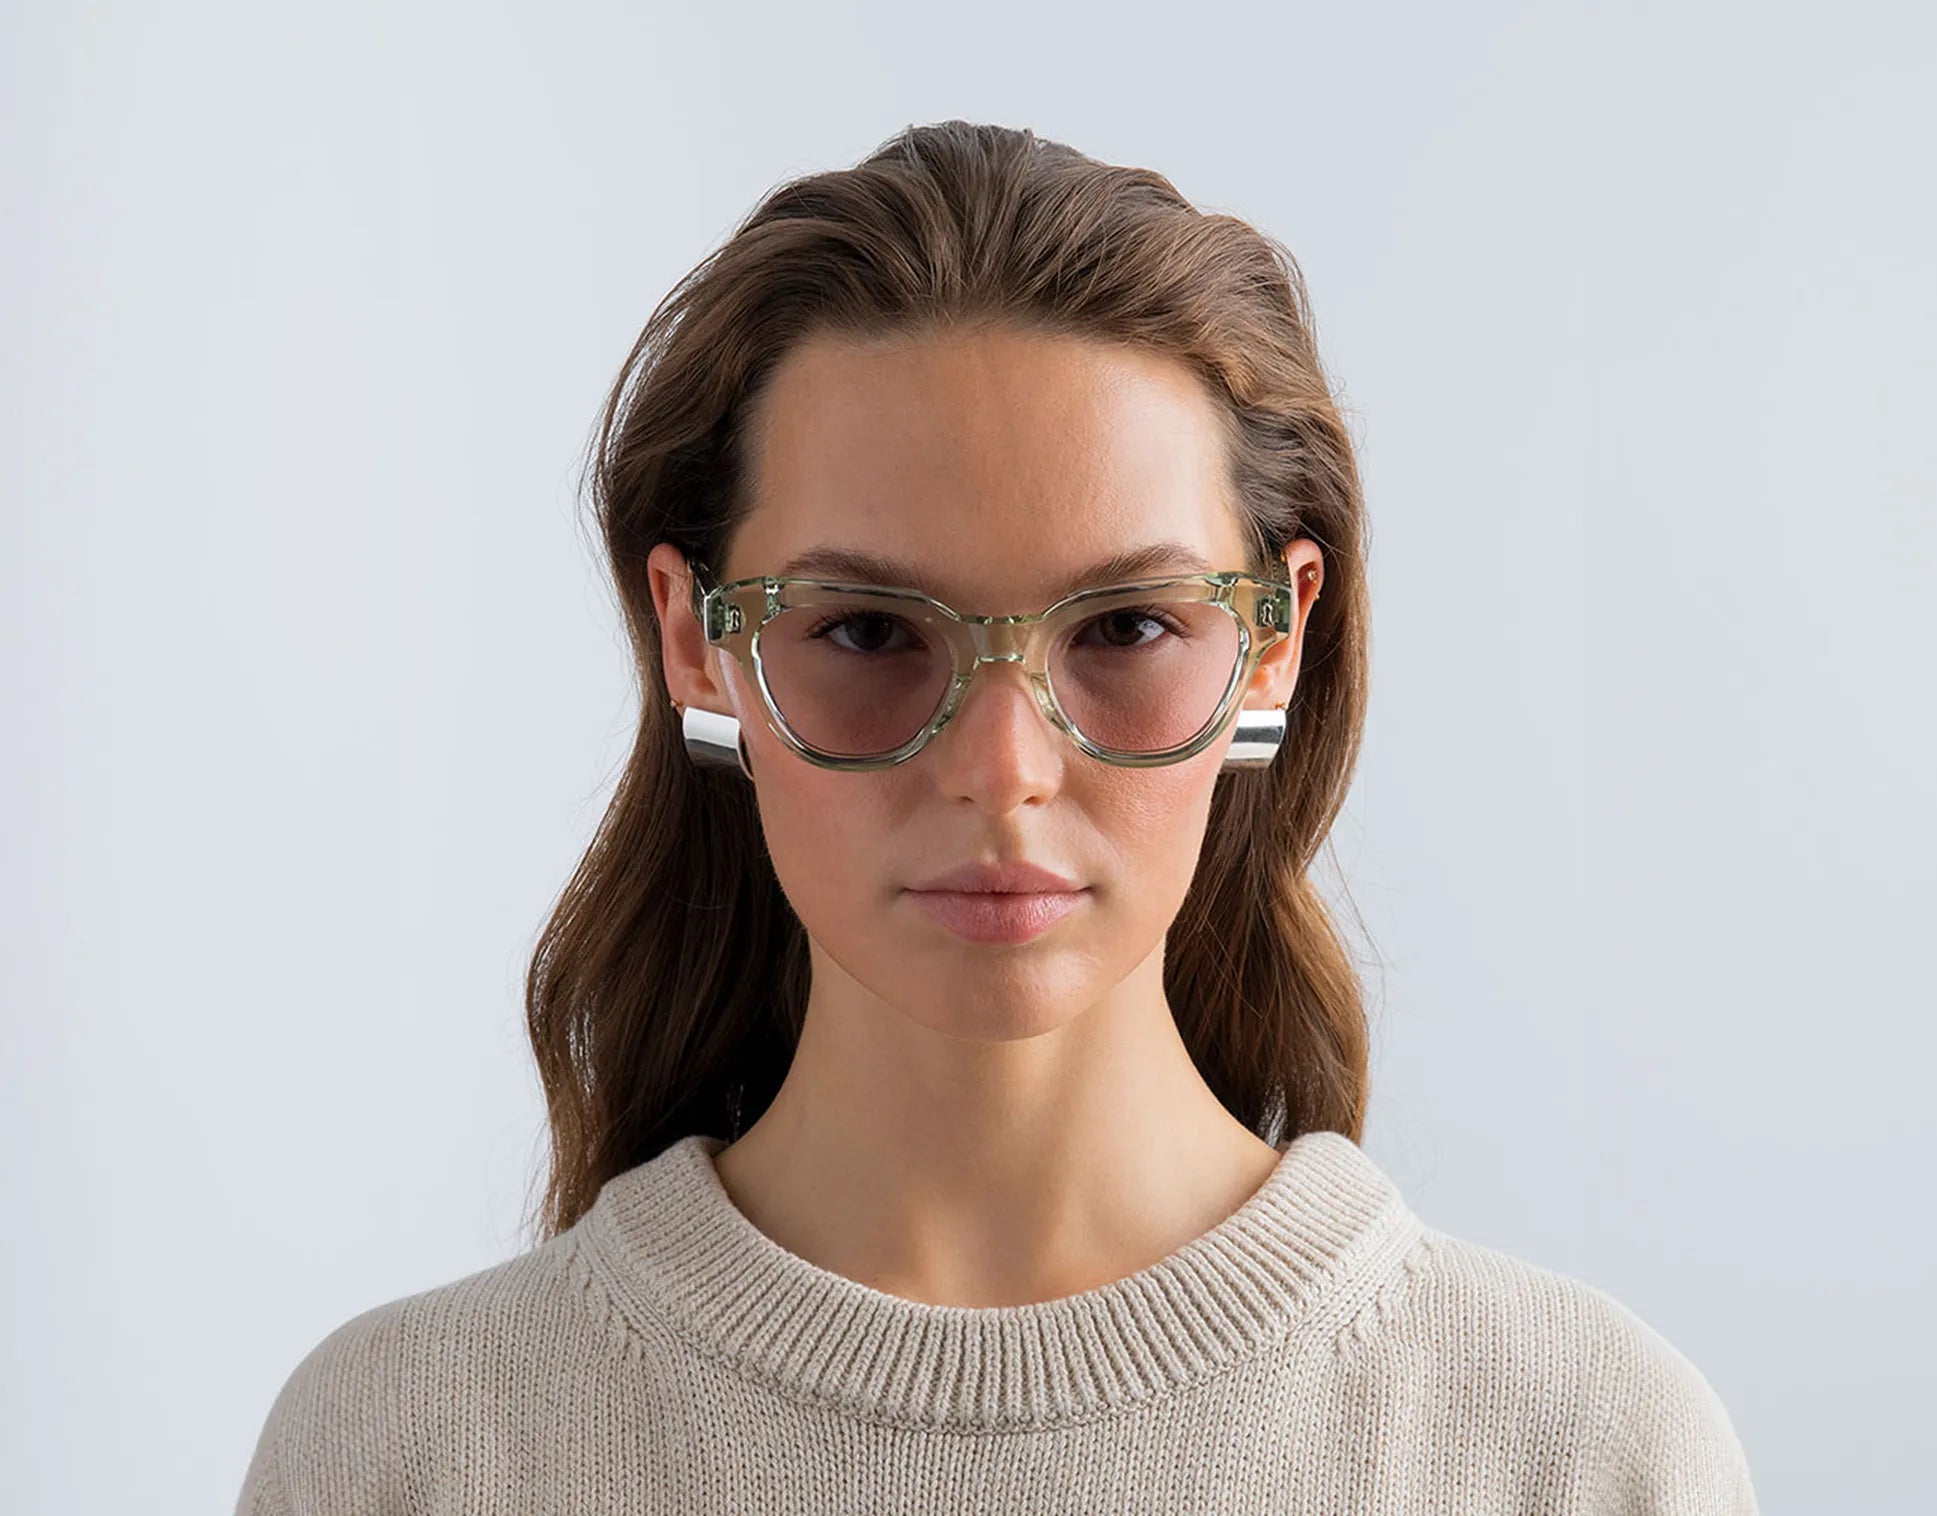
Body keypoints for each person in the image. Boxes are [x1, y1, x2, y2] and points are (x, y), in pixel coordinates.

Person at [233, 120, 1758, 1513]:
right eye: (866, 632)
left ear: (1276, 638)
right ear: (696, 637)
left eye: (1129, 629)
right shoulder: (406, 1452)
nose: (1003, 767)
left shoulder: (1582, 1451)